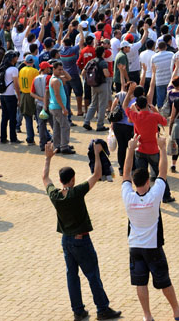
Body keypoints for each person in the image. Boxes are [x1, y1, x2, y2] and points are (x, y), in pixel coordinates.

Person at [42, 136, 121, 321]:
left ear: (61, 181)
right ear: (72, 179)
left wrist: (48, 158)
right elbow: (96, 175)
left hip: (66, 240)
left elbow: (45, 177)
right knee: (92, 274)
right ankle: (102, 309)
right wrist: (96, 153)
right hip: (81, 240)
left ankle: (78, 311)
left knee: (72, 276)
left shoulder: (55, 195)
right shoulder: (76, 193)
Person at [121, 135, 179, 321]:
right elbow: (162, 172)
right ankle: (176, 310)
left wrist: (130, 149)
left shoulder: (128, 196)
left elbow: (125, 173)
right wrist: (161, 148)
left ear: (135, 184)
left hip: (134, 246)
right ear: (147, 182)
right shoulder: (153, 197)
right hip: (153, 246)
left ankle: (147, 316)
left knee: (140, 282)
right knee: (163, 280)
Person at [124, 85, 174, 203]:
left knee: (141, 175)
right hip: (153, 150)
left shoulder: (135, 116)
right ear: (147, 104)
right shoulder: (154, 116)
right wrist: (156, 111)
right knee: (160, 174)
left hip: (140, 149)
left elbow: (125, 106)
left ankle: (143, 195)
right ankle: (166, 196)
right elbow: (164, 122)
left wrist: (129, 93)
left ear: (137, 106)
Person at [47, 60, 76, 154]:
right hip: (58, 107)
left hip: (55, 107)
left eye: (61, 70)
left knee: (57, 127)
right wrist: (63, 108)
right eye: (59, 70)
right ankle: (64, 146)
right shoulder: (55, 80)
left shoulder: (58, 78)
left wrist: (63, 71)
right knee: (65, 126)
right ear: (53, 69)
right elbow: (57, 95)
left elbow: (69, 77)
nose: (61, 71)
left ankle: (57, 145)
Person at [0, 51, 20, 144]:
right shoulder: (14, 69)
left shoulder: (2, 68)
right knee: (12, 117)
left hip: (2, 95)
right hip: (10, 95)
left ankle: (3, 138)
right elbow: (16, 84)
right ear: (12, 58)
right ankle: (13, 138)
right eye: (15, 57)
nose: (17, 58)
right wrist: (19, 96)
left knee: (4, 117)